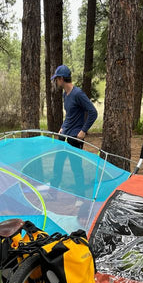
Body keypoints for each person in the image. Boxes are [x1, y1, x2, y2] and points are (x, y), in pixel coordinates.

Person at [50, 64, 98, 196]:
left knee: (76, 168)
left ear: (61, 79)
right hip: (64, 136)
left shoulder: (78, 94)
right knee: (57, 165)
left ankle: (80, 196)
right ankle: (53, 193)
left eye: (56, 79)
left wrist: (83, 131)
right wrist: (62, 127)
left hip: (75, 138)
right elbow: (69, 114)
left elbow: (93, 112)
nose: (56, 82)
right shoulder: (66, 94)